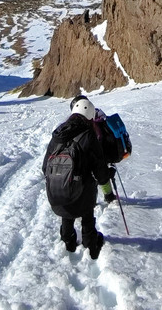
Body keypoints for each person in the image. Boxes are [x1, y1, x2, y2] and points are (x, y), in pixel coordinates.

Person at [43, 95, 116, 258]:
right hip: (81, 198)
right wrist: (107, 177)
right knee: (86, 196)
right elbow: (99, 169)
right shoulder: (89, 135)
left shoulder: (58, 134)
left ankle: (67, 240)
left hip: (55, 195)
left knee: (67, 207)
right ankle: (90, 242)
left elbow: (44, 167)